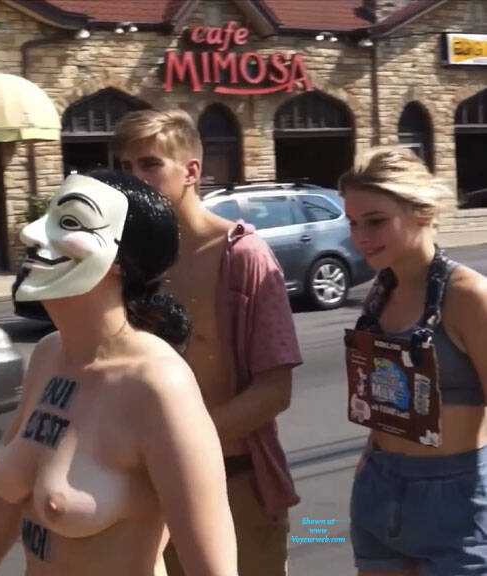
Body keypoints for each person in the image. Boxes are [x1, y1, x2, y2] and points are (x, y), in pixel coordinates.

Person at [0, 170, 238, 576]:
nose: (32, 233)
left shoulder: (157, 384)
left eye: (69, 222)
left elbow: (212, 568)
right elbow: (0, 505)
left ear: (119, 260)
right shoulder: (49, 355)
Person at [112, 109, 302, 576]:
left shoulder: (243, 256)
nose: (134, 180)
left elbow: (274, 391)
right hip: (146, 489)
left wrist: (180, 442)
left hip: (232, 481)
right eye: (126, 167)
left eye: (150, 164)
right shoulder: (132, 263)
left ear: (191, 171)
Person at [340, 147, 487, 575]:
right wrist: (371, 453)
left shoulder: (468, 296)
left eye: (375, 221)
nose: (360, 236)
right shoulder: (380, 291)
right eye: (352, 222)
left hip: (457, 500)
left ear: (421, 212)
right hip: (379, 489)